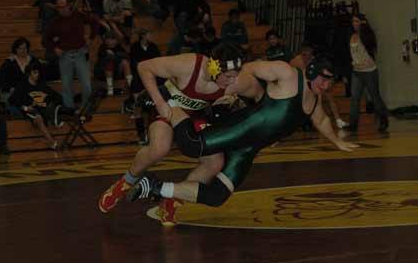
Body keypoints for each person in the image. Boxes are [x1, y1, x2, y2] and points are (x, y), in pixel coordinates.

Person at [126, 57, 359, 222]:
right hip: (239, 128)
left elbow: (323, 122)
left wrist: (337, 141)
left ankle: (155, 187)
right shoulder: (287, 74)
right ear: (312, 70)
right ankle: (170, 103)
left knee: (217, 196)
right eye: (324, 79)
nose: (326, 86)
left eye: (330, 82)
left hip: (248, 149)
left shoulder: (315, 103)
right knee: (191, 145)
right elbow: (249, 67)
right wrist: (229, 90)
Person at [98, 43, 244, 217]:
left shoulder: (232, 81)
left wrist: (235, 103)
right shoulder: (188, 65)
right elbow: (144, 67)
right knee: (160, 148)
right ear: (214, 68)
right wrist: (159, 102)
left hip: (194, 114)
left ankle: (172, 200)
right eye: (228, 77)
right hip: (168, 103)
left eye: (235, 76)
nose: (232, 81)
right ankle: (125, 183)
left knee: (215, 163)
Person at [9, 62, 75, 150]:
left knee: (62, 110)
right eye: (35, 73)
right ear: (29, 74)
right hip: (32, 111)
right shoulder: (22, 86)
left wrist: (49, 103)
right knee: (38, 117)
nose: (37, 74)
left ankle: (66, 114)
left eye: (38, 72)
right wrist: (26, 107)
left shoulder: (42, 85)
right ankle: (53, 143)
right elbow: (11, 100)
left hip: (45, 109)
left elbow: (58, 97)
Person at [44, 0, 92, 111]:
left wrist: (91, 37)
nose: (62, 9)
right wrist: (54, 48)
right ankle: (69, 110)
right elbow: (45, 40)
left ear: (68, 5)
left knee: (87, 86)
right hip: (65, 55)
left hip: (80, 53)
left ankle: (85, 108)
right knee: (66, 86)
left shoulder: (78, 15)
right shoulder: (55, 22)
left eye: (64, 6)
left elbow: (94, 21)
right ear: (57, 8)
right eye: (59, 8)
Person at [291, 43, 349, 129]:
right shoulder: (295, 61)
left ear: (311, 52)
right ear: (301, 52)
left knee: (329, 97)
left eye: (308, 53)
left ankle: (338, 120)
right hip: (302, 86)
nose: (306, 55)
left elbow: (325, 72)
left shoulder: (316, 60)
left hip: (317, 84)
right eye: (304, 53)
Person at [348, 13, 389, 132]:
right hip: (356, 72)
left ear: (362, 22)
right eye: (353, 21)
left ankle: (383, 120)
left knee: (375, 97)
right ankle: (353, 125)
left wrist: (361, 63)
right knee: (355, 98)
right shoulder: (352, 36)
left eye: (356, 21)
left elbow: (370, 54)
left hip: (369, 71)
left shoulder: (367, 35)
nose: (354, 23)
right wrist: (354, 63)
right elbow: (353, 54)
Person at [94, 31, 132, 96]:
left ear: (117, 40)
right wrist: (115, 56)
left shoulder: (119, 47)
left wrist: (114, 55)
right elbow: (102, 61)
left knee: (125, 62)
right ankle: (110, 90)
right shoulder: (102, 47)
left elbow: (126, 56)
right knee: (109, 63)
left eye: (112, 39)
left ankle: (131, 86)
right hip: (103, 72)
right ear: (105, 40)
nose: (110, 41)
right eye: (108, 39)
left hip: (117, 71)